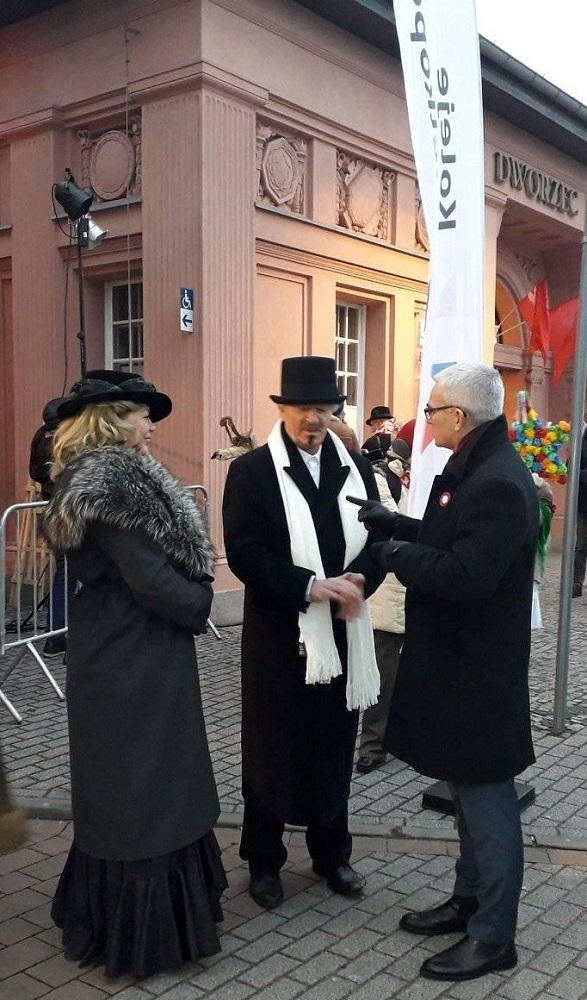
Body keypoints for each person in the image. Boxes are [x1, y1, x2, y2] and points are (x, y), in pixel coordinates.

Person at [355, 362, 538, 983]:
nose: (424, 419)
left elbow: (466, 575)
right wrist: (397, 525)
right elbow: (449, 537)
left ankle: (494, 935)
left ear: (459, 417)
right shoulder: (473, 470)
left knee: (488, 801)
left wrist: (397, 553)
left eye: (432, 410)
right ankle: (468, 900)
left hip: (479, 674)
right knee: (463, 794)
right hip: (459, 666)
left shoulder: (498, 482)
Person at [43, 371, 227, 978]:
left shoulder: (100, 476)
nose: (153, 425)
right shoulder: (109, 483)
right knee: (144, 783)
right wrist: (202, 602)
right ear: (112, 418)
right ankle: (145, 933)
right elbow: (148, 579)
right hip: (133, 654)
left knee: (140, 780)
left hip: (123, 649)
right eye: (143, 414)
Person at [222, 356, 385, 910]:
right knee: (271, 749)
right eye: (303, 409)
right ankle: (264, 862)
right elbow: (244, 553)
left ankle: (331, 854)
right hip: (279, 636)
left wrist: (362, 580)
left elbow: (376, 540)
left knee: (334, 746)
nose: (313, 420)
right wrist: (309, 586)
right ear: (283, 411)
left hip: (341, 632)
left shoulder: (354, 467)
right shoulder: (252, 472)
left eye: (323, 409)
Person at [355, 436, 409, 774]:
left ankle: (402, 736)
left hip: (424, 580)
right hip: (391, 586)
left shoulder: (437, 474)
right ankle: (373, 743)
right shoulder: (376, 479)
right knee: (384, 668)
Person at [29, 397, 77, 658]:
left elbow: (36, 473)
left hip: (51, 504)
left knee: (65, 574)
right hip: (66, 508)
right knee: (69, 575)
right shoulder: (68, 435)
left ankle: (57, 635)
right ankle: (59, 637)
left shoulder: (40, 435)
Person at [572, 422, 587, 596]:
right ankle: (577, 583)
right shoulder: (581, 441)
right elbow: (572, 468)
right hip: (584, 503)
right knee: (581, 545)